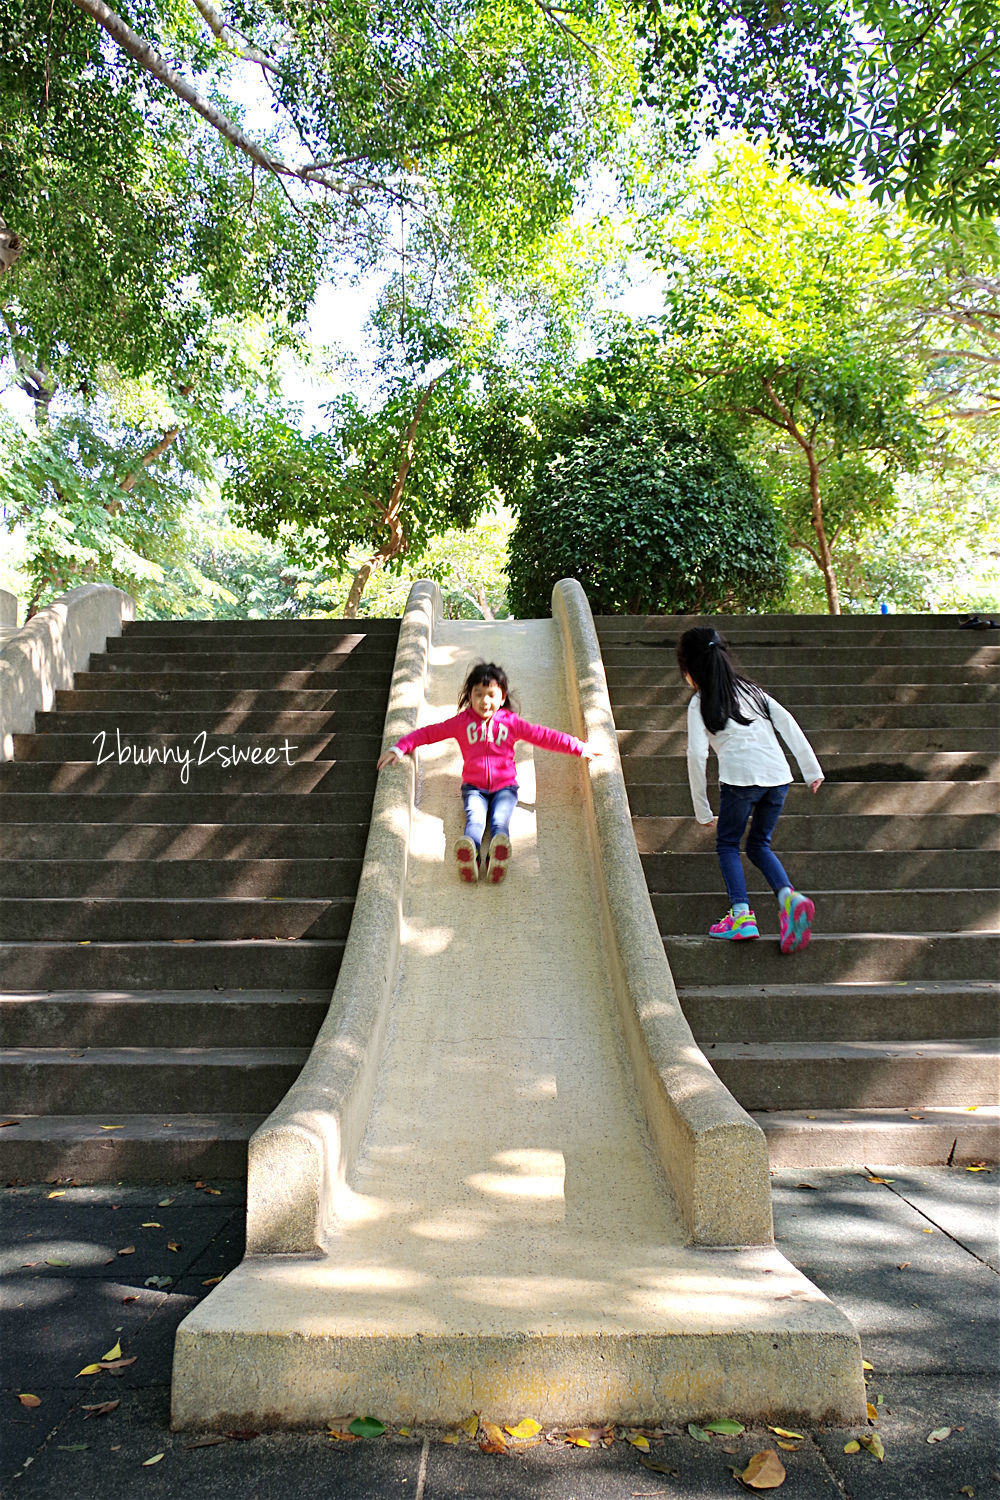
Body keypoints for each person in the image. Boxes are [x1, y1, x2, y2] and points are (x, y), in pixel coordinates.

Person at [377, 661, 600, 884]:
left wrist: (580, 747)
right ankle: (470, 854)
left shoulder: (511, 723)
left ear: (502, 698)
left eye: (491, 695)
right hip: (474, 788)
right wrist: (399, 747)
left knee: (499, 821)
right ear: (470, 696)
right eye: (478, 694)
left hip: (505, 787)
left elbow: (544, 736)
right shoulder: (461, 723)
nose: (485, 701)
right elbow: (428, 733)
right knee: (475, 820)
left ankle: (497, 856)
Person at [677, 626, 823, 952]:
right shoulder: (753, 691)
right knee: (758, 845)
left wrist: (702, 809)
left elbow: (697, 754)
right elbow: (787, 722)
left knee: (728, 845)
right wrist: (811, 770)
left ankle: (741, 915)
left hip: (741, 780)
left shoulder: (700, 701)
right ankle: (788, 897)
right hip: (778, 779)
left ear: (689, 670)